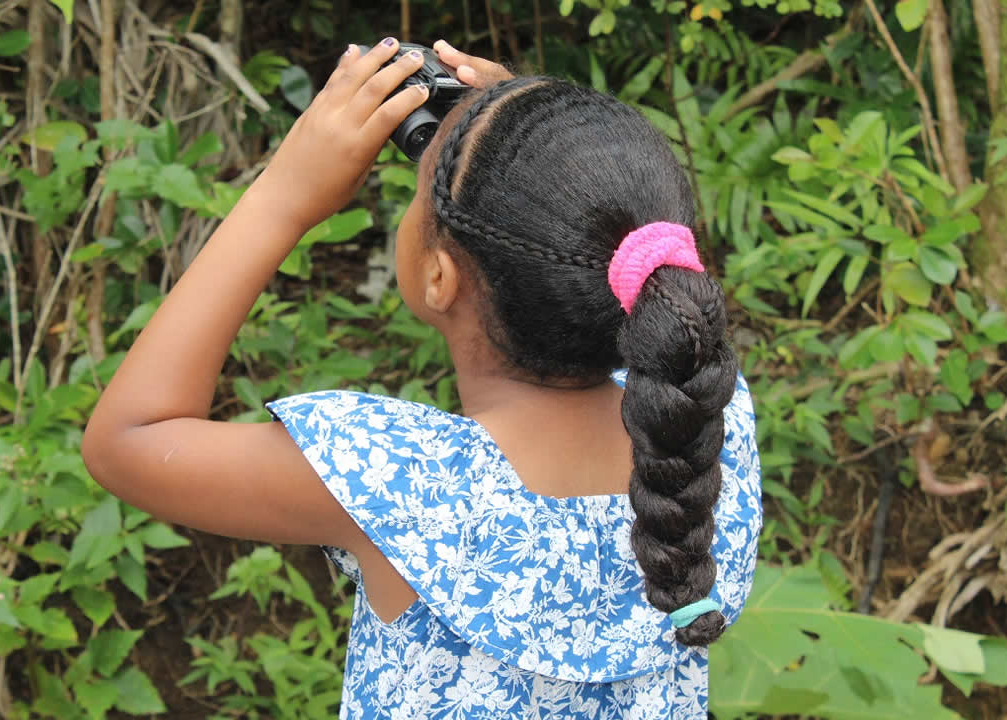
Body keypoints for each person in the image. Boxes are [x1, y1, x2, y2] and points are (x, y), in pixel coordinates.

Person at [82, 37, 762, 719]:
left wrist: (282, 198)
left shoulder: (409, 484)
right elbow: (600, 267)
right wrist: (523, 137)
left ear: (440, 277)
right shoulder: (707, 423)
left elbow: (129, 439)